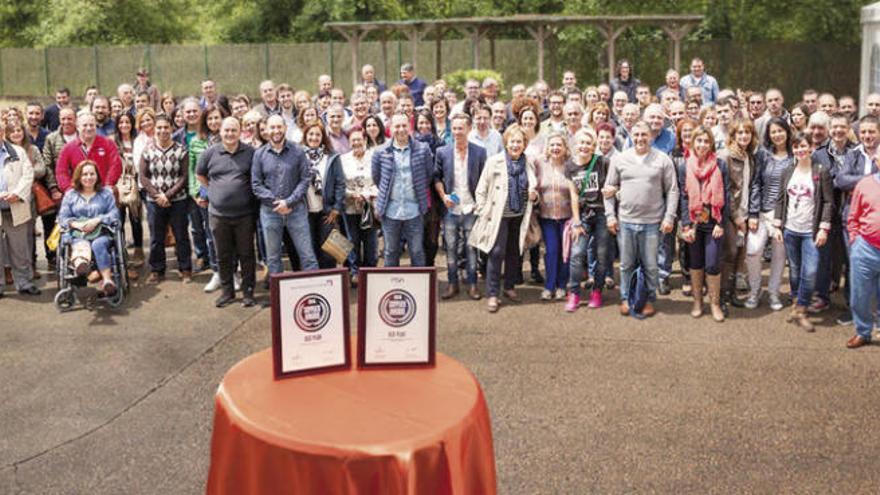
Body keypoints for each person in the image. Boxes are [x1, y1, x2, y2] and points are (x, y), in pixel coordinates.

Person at [604, 121, 680, 318]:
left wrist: (669, 217)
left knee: (650, 264)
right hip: (626, 221)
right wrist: (610, 216)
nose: (640, 139)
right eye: (636, 134)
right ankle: (625, 298)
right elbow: (608, 189)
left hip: (653, 222)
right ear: (630, 135)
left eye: (644, 135)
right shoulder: (620, 159)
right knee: (626, 264)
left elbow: (672, 190)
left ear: (651, 137)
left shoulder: (662, 160)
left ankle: (647, 299)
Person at [469, 124, 537, 313]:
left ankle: (509, 287)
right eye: (512, 141)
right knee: (496, 252)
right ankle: (492, 293)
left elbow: (533, 188)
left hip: (519, 215)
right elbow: (481, 188)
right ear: (506, 142)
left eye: (519, 142)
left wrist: (535, 196)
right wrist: (483, 210)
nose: (516, 145)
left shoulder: (528, 163)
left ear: (525, 144)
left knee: (514, 252)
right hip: (498, 216)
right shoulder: (494, 161)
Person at [772, 132, 833, 332]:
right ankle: (797, 305)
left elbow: (827, 202)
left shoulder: (820, 171)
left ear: (811, 148)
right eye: (796, 147)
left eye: (803, 146)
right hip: (791, 229)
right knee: (796, 270)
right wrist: (777, 225)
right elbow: (780, 199)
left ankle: (802, 308)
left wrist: (824, 228)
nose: (800, 150)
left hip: (811, 231)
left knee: (811, 271)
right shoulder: (788, 170)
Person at [196, 117, 258, 308]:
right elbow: (200, 175)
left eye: (234, 130)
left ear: (240, 132)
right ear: (220, 132)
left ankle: (248, 292)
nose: (230, 134)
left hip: (244, 214)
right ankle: (227, 292)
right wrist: (215, 191)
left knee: (246, 254)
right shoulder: (209, 154)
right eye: (226, 130)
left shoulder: (251, 153)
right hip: (218, 215)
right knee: (223, 255)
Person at [252, 114, 320, 280]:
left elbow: (305, 179)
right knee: (273, 258)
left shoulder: (297, 151)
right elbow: (256, 184)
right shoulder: (259, 155)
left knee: (307, 255)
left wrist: (288, 202)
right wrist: (277, 203)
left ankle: (317, 290)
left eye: (279, 127)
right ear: (267, 130)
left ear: (285, 128)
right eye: (272, 127)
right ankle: (278, 298)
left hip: (296, 210)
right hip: (270, 212)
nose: (276, 131)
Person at [679, 126, 730, 322]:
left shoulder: (720, 165)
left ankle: (715, 303)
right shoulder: (685, 166)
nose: (702, 145)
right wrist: (685, 225)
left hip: (713, 221)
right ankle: (698, 301)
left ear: (711, 144)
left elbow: (725, 197)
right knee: (695, 262)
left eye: (706, 141)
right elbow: (684, 198)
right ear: (693, 143)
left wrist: (721, 223)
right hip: (693, 222)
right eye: (698, 141)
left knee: (712, 262)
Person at [435, 113, 487, 300]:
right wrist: (444, 196)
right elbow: (436, 177)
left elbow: (484, 181)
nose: (457, 132)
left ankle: (473, 284)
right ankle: (452, 283)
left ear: (469, 128)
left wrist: (480, 205)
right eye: (454, 128)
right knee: (450, 249)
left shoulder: (480, 152)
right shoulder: (443, 152)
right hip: (451, 209)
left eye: (461, 128)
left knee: (471, 249)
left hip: (471, 208)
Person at [372, 112, 433, 267]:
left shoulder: (422, 149)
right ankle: (391, 286)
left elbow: (428, 176)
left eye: (404, 125)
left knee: (417, 251)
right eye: (397, 126)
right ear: (390, 128)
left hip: (415, 210)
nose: (401, 129)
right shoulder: (380, 152)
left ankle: (420, 287)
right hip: (390, 210)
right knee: (391, 251)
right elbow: (377, 178)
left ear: (410, 127)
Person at [746, 117, 794, 311]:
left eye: (780, 131)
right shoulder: (763, 155)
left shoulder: (795, 156)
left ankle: (774, 292)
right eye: (773, 132)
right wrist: (754, 213)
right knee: (753, 251)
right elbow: (756, 183)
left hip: (784, 215)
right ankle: (755, 290)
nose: (777, 135)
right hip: (763, 211)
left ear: (787, 132)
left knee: (779, 255)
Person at [138, 114, 192, 284]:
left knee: (181, 234)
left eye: (166, 127)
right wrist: (157, 195)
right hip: (154, 202)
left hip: (178, 200)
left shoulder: (181, 150)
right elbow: (143, 177)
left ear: (171, 128)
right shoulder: (147, 151)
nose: (162, 131)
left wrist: (168, 195)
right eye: (159, 127)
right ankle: (157, 269)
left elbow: (184, 177)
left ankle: (185, 269)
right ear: (155, 129)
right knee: (156, 237)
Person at [812, 112, 855, 317]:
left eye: (842, 127)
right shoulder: (818, 154)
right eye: (835, 127)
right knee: (823, 257)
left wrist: (839, 180)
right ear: (829, 129)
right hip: (825, 214)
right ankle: (821, 297)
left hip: (849, 214)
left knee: (849, 259)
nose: (838, 131)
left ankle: (851, 300)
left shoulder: (856, 153)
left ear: (848, 130)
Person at [565, 128, 612, 311]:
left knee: (601, 256)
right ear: (575, 145)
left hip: (601, 214)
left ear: (594, 146)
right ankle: (574, 293)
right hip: (583, 215)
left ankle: (597, 291)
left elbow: (612, 187)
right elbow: (573, 195)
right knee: (577, 254)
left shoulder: (603, 162)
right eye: (581, 143)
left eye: (588, 143)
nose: (584, 146)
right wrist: (576, 221)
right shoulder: (570, 166)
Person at [57, 160, 120, 295]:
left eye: (92, 174)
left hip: (101, 233)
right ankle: (82, 268)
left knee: (98, 244)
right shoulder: (71, 195)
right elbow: (62, 218)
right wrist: (76, 224)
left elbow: (114, 214)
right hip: (78, 234)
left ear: (97, 176)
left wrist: (98, 220)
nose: (88, 177)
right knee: (81, 244)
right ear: (79, 177)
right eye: (85, 174)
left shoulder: (105, 193)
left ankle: (108, 281)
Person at [717, 119, 757, 311]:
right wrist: (737, 216)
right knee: (730, 252)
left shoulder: (750, 156)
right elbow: (726, 190)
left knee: (740, 253)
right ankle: (722, 297)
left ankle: (732, 294)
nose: (744, 136)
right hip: (730, 214)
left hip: (746, 210)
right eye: (740, 133)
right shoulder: (725, 156)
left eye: (747, 133)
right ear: (733, 136)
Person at [188, 104, 227, 292]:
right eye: (210, 118)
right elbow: (192, 170)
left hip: (227, 196)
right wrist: (196, 193)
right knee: (211, 236)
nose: (213, 122)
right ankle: (217, 272)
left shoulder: (229, 139)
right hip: (205, 195)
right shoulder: (196, 142)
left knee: (229, 235)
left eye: (216, 118)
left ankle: (231, 272)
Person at [299, 120, 345, 269]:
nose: (314, 137)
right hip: (305, 212)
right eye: (310, 134)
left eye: (317, 135)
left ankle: (331, 282)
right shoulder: (298, 156)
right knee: (310, 251)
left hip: (327, 212)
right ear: (305, 136)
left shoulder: (332, 157)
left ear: (322, 137)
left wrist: (336, 208)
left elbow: (340, 183)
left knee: (330, 251)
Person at [0, 123, 39, 297]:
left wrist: (17, 194)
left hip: (15, 207)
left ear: (2, 133)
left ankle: (23, 283)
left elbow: (28, 175)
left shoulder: (18, 152)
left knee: (20, 249)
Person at [844, 170, 880, 348]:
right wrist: (854, 240)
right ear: (877, 161)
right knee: (860, 295)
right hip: (865, 247)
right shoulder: (864, 184)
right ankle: (863, 332)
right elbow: (853, 216)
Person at [535, 132, 573, 301]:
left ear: (565, 148)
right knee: (551, 251)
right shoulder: (539, 164)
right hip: (547, 217)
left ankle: (562, 285)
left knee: (565, 252)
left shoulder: (571, 166)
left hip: (567, 217)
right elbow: (532, 185)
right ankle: (549, 286)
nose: (556, 148)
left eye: (559, 145)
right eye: (553, 145)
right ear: (548, 148)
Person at [339, 127, 378, 281]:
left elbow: (380, 180)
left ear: (365, 140)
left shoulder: (374, 157)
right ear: (349, 142)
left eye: (359, 139)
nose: (356, 142)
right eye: (353, 140)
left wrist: (368, 194)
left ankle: (370, 271)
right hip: (350, 207)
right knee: (351, 240)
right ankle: (354, 271)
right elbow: (340, 184)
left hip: (369, 206)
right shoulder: (343, 160)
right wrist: (351, 194)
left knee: (370, 241)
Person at [55, 113, 122, 193]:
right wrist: (69, 190)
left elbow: (116, 165)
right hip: (78, 195)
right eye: (85, 125)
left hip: (104, 192)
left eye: (92, 125)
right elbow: (61, 172)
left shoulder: (108, 144)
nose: (89, 128)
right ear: (77, 127)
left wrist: (108, 185)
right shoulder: (68, 148)